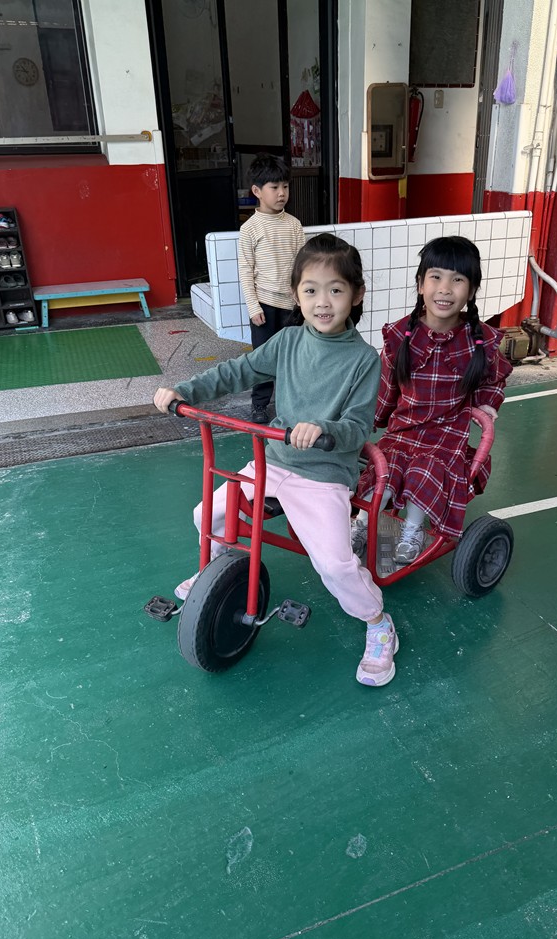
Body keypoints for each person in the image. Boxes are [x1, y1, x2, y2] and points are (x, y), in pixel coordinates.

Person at [154, 234, 399, 688]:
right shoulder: (287, 340)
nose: (322, 302)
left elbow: (357, 427)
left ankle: (377, 622)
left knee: (335, 564)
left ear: (356, 294)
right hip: (272, 460)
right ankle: (218, 570)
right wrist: (184, 391)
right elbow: (238, 372)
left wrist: (323, 429)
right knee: (208, 514)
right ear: (295, 295)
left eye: (335, 290)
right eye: (311, 290)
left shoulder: (364, 360)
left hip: (323, 475)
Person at [353, 235, 513, 564]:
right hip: (403, 430)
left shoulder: (479, 341)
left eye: (458, 280)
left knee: (425, 471)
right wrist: (371, 419)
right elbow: (386, 386)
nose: (445, 289)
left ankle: (412, 531)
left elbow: (495, 377)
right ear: (420, 284)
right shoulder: (402, 336)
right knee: (385, 469)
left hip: (447, 436)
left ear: (471, 291)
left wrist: (487, 403)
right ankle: (362, 523)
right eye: (436, 277)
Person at [238, 152, 305, 424]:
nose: (282, 193)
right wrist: (253, 306)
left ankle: (293, 404)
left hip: (292, 305)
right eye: (274, 187)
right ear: (257, 191)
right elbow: (245, 271)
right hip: (264, 307)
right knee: (263, 358)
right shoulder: (249, 229)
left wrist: (303, 300)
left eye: (285, 186)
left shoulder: (294, 225)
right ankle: (259, 405)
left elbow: (303, 267)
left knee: (293, 358)